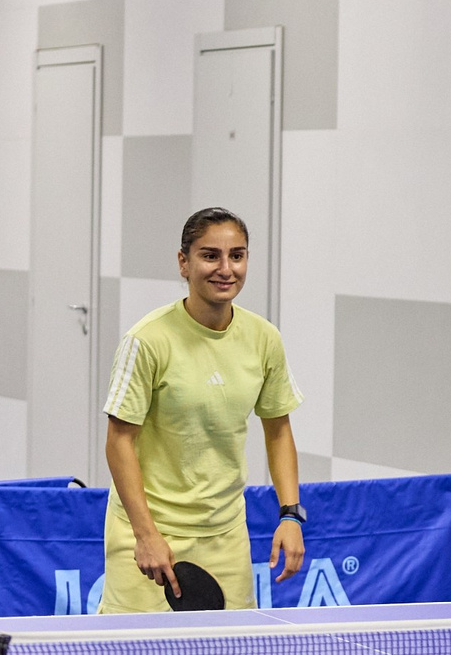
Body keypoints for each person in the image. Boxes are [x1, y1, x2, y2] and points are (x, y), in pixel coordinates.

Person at [100, 207, 304, 614]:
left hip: (225, 535)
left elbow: (278, 430)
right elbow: (119, 442)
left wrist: (291, 516)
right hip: (150, 530)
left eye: (237, 255)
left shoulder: (264, 339)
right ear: (184, 262)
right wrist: (145, 535)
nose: (226, 269)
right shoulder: (147, 340)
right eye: (210, 256)